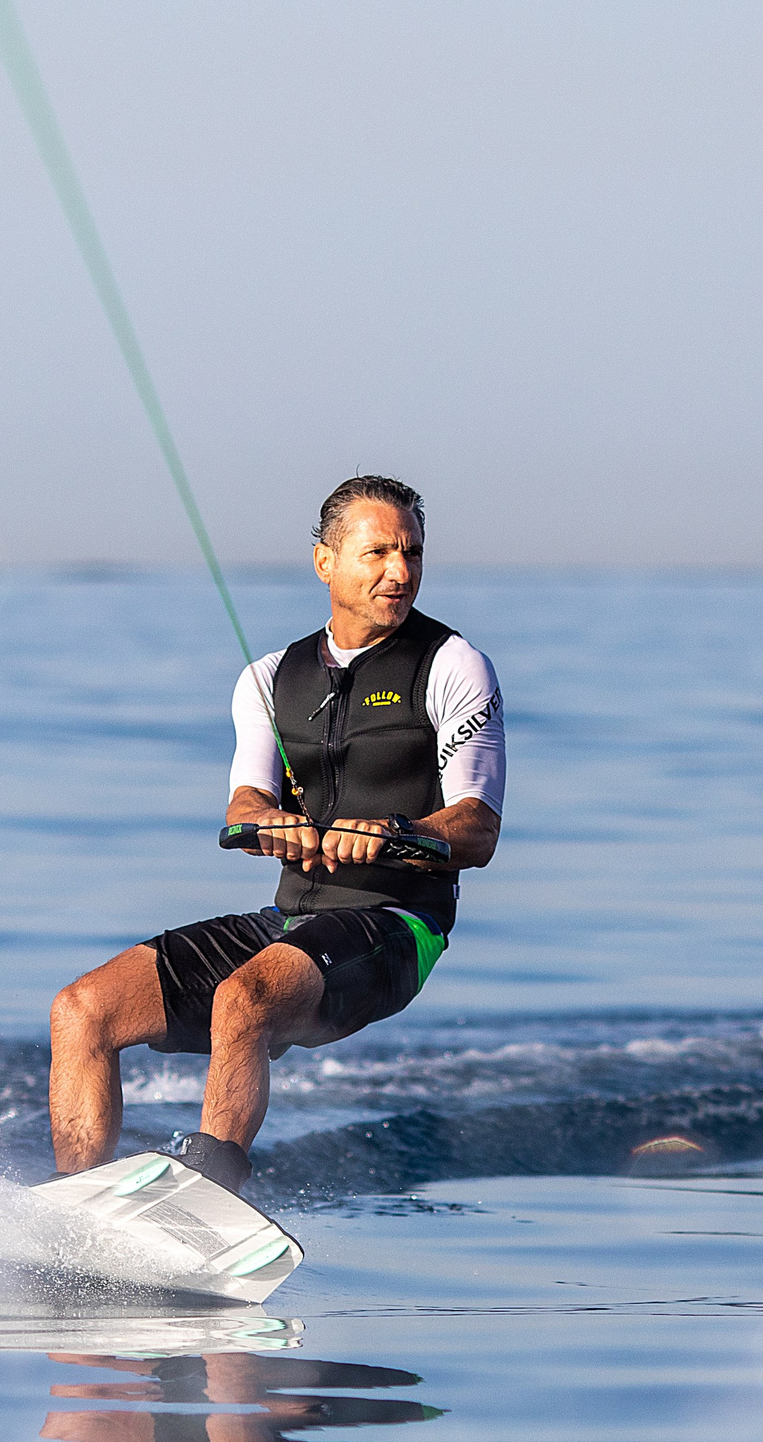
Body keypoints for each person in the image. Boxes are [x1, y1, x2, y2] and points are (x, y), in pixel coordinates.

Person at [47, 475, 505, 1192]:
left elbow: (477, 829)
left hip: (397, 925)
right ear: (325, 561)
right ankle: (71, 1210)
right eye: (378, 551)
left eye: (412, 553)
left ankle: (209, 1194)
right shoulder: (268, 678)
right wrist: (266, 823)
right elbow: (246, 804)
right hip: (291, 920)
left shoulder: (452, 665)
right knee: (82, 1010)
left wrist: (392, 833)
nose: (400, 571)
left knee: (244, 997)